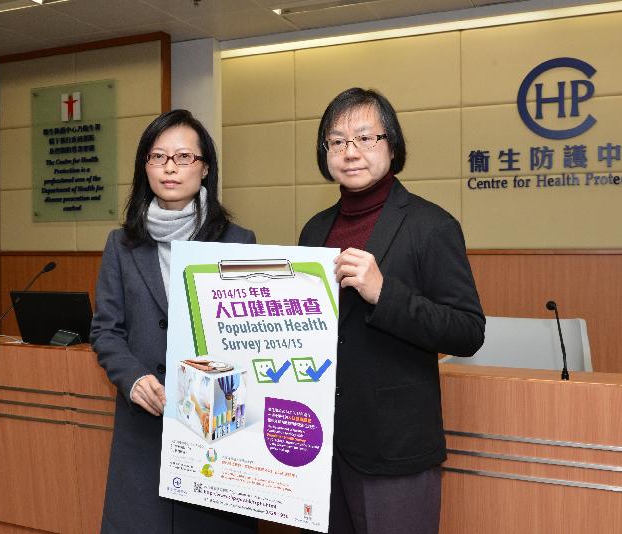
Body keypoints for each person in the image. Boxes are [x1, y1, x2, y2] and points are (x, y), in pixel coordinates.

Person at [299, 88, 485, 534]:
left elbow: (467, 330)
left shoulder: (431, 225)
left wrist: (386, 293)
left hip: (395, 446)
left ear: (392, 145)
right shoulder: (314, 230)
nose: (350, 152)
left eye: (365, 137)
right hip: (319, 443)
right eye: (337, 141)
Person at [90, 109, 257, 534]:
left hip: (214, 427)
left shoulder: (238, 242)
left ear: (204, 169)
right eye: (157, 156)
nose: (169, 166)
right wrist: (131, 378)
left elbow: (252, 338)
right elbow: (105, 330)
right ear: (144, 166)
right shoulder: (121, 244)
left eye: (183, 156)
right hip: (143, 423)